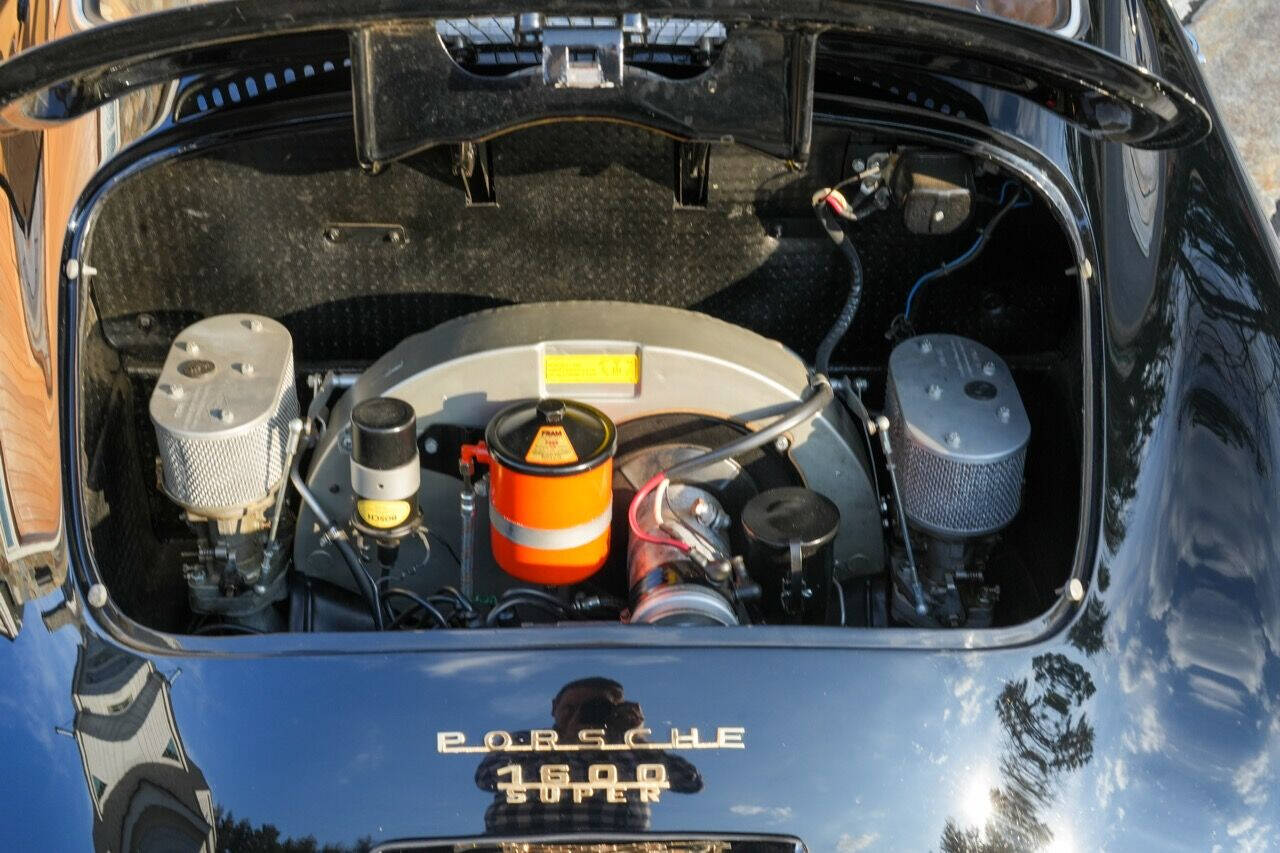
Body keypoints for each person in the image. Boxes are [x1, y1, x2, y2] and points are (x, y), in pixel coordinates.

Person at [475, 677, 703, 833]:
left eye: (594, 708)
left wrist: (635, 737)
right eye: (570, 708)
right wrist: (568, 743)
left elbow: (690, 782)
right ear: (554, 708)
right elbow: (486, 778)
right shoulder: (524, 741)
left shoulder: (631, 748)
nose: (581, 715)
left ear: (614, 711)